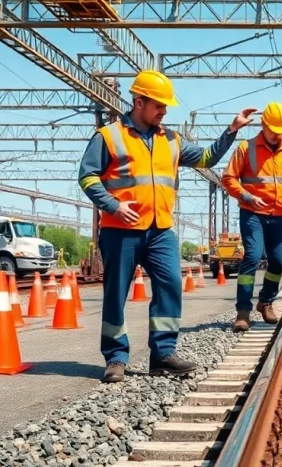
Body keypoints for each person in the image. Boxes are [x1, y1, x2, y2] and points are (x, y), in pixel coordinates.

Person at [78, 69, 256, 383]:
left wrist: (231, 130)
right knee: (116, 293)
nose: (164, 111)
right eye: (159, 105)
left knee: (171, 285)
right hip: (120, 229)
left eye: (165, 106)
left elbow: (205, 159)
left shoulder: (172, 140)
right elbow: (88, 177)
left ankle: (163, 354)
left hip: (160, 229)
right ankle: (116, 358)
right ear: (138, 101)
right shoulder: (108, 136)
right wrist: (113, 205)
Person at [221, 101, 282, 332]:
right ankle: (242, 311)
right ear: (263, 125)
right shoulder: (245, 148)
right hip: (252, 213)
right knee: (252, 255)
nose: (278, 135)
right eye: (274, 131)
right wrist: (247, 196)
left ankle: (266, 302)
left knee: (278, 261)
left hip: (279, 215)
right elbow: (228, 179)